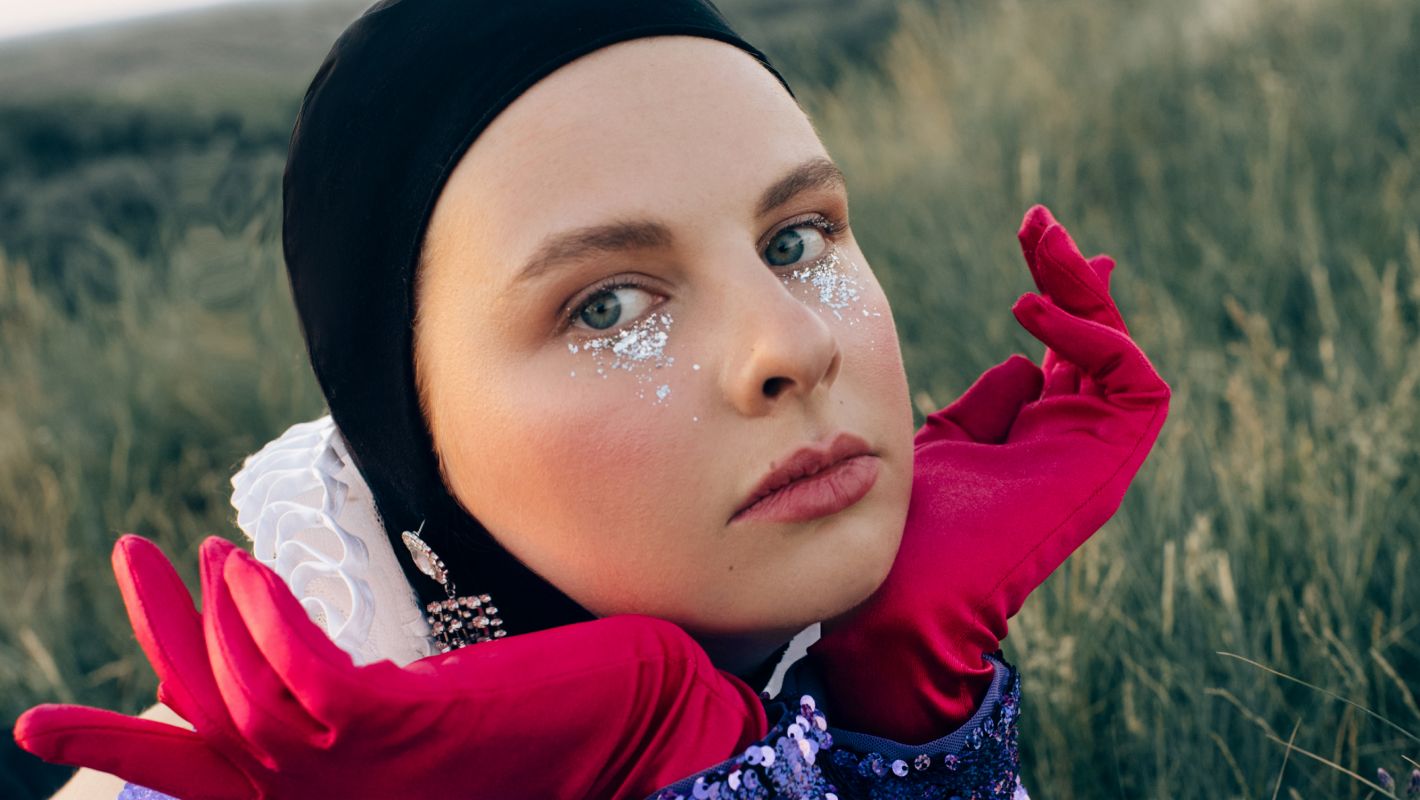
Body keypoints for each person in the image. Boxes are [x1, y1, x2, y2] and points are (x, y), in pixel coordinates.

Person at [13, 0, 1170, 797]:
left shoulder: (829, 645)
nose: (793, 343)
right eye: (608, 306)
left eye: (796, 236)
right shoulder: (245, 773)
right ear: (406, 431)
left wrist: (910, 697)